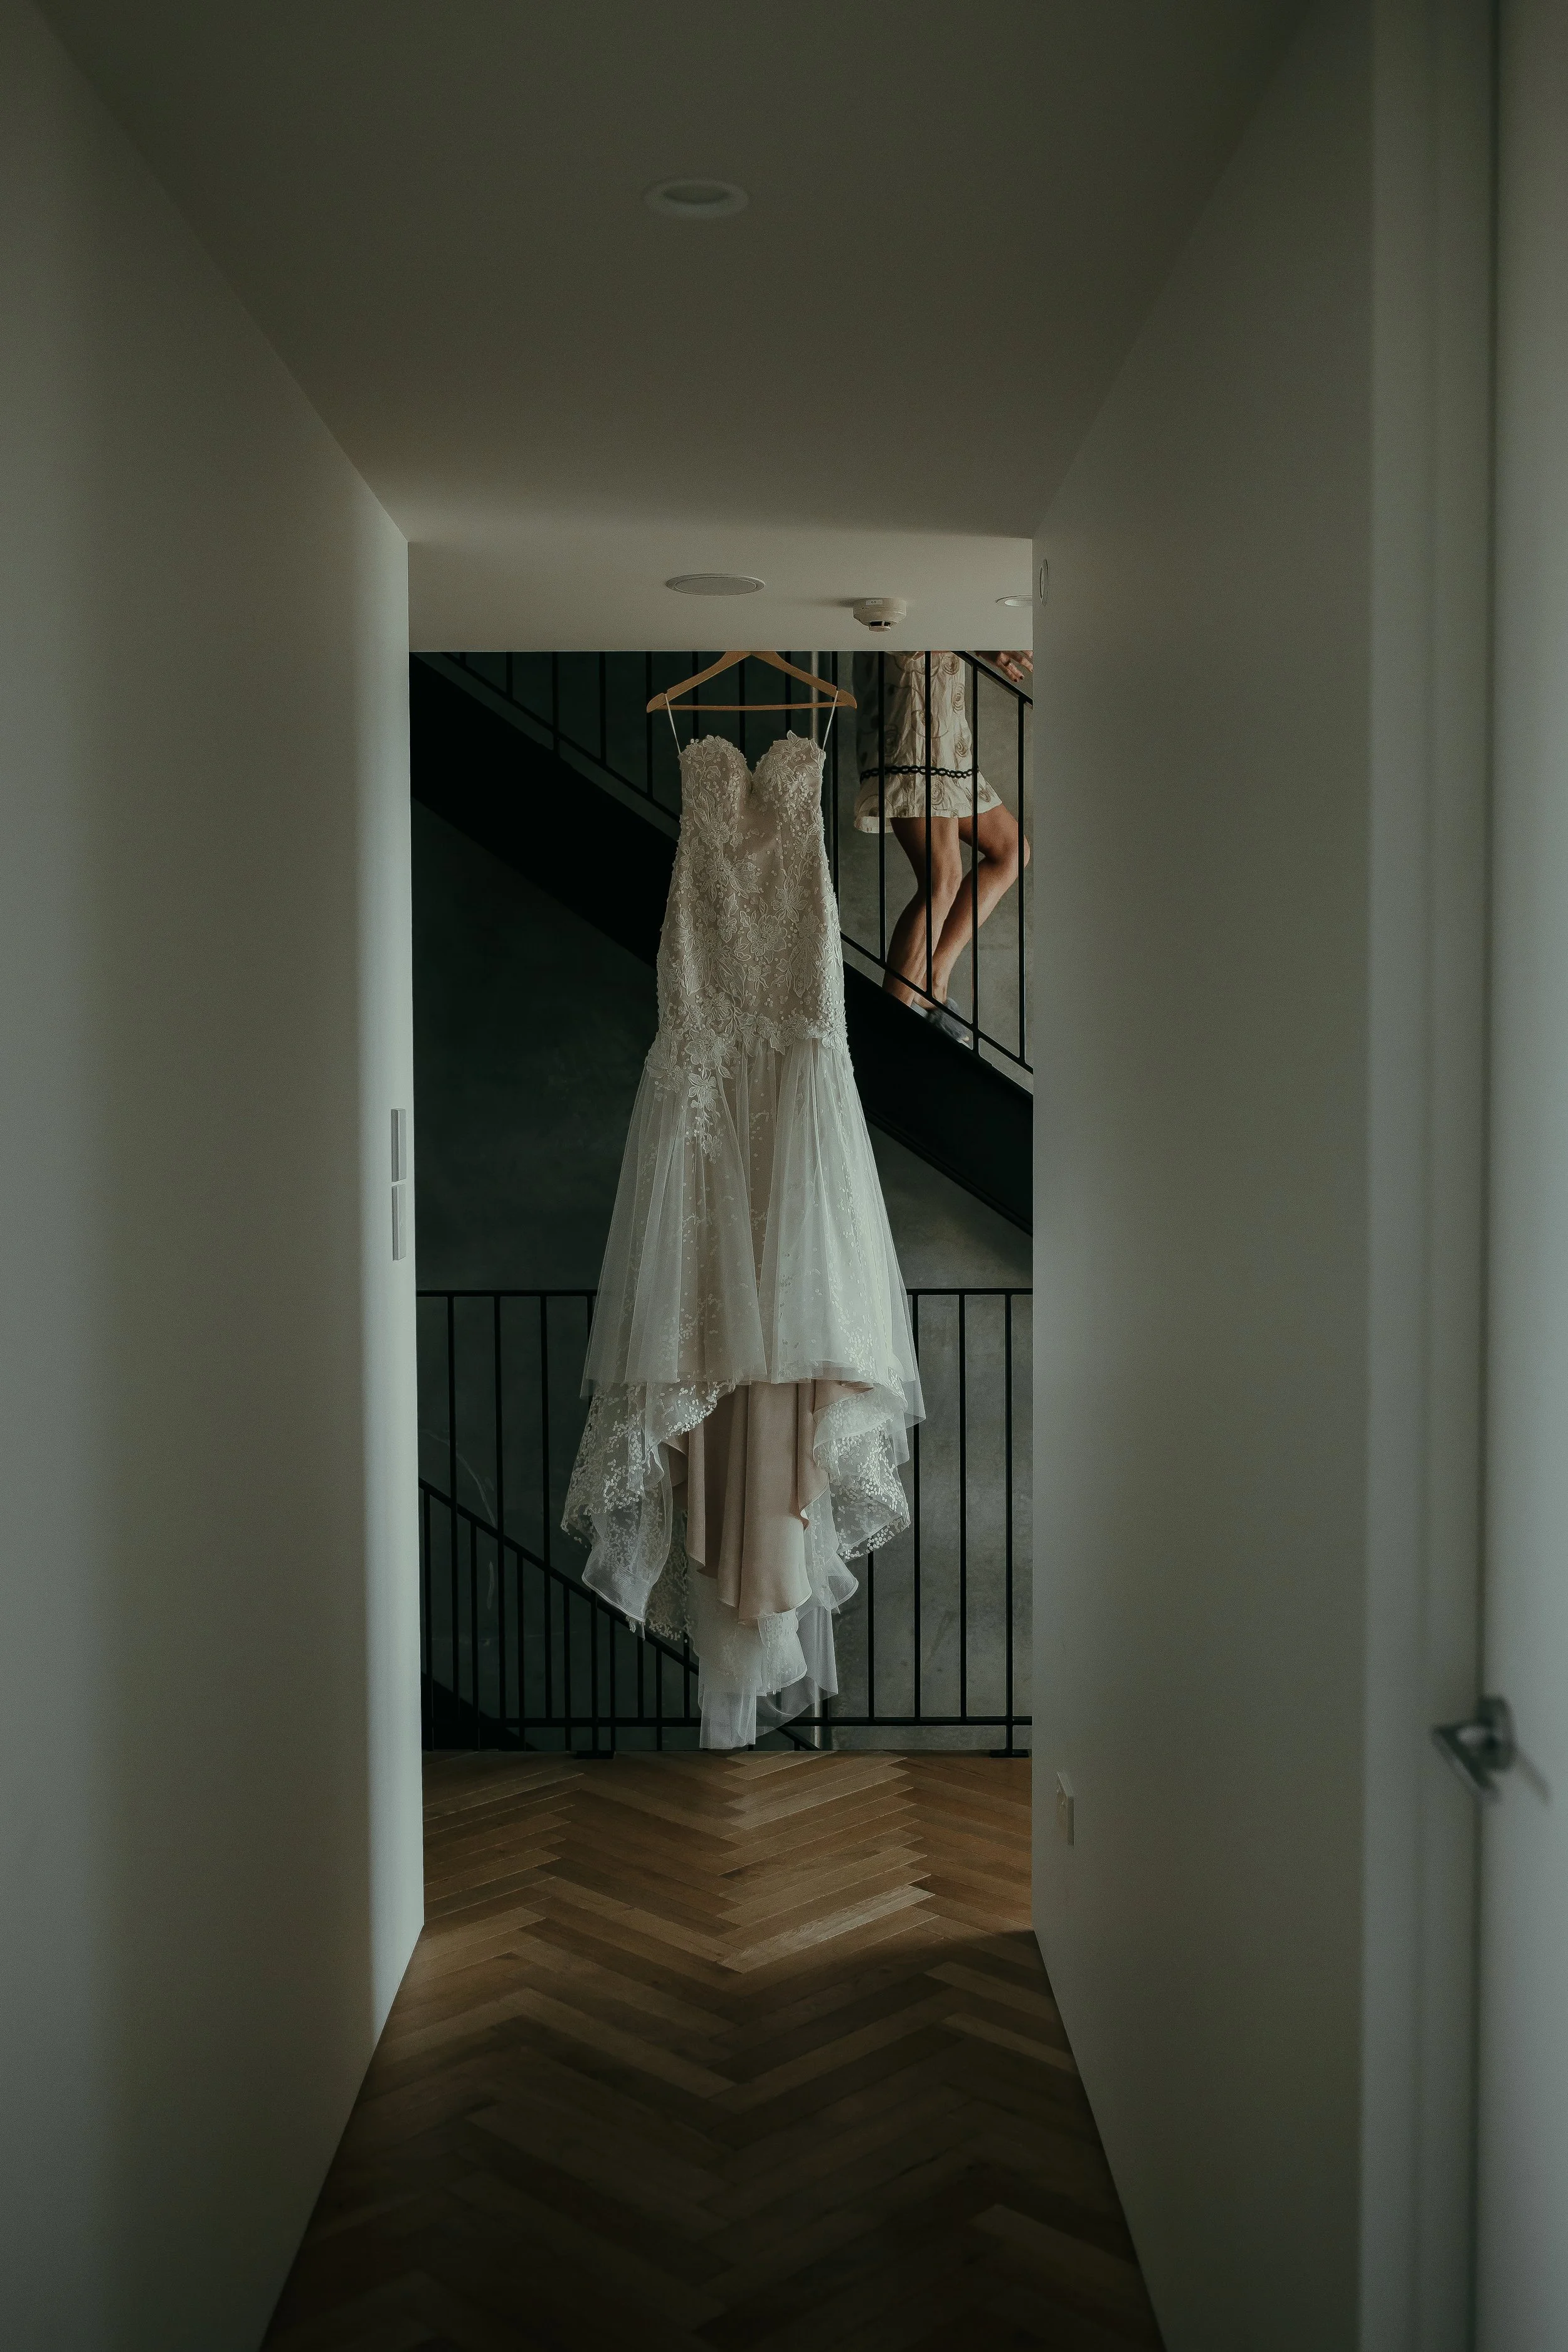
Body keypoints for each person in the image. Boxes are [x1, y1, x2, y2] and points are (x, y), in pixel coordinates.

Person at [852, 650, 1031, 1036]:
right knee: (942, 879)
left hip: (946, 732)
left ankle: (933, 977)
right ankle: (889, 1035)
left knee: (1011, 851)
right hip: (913, 719)